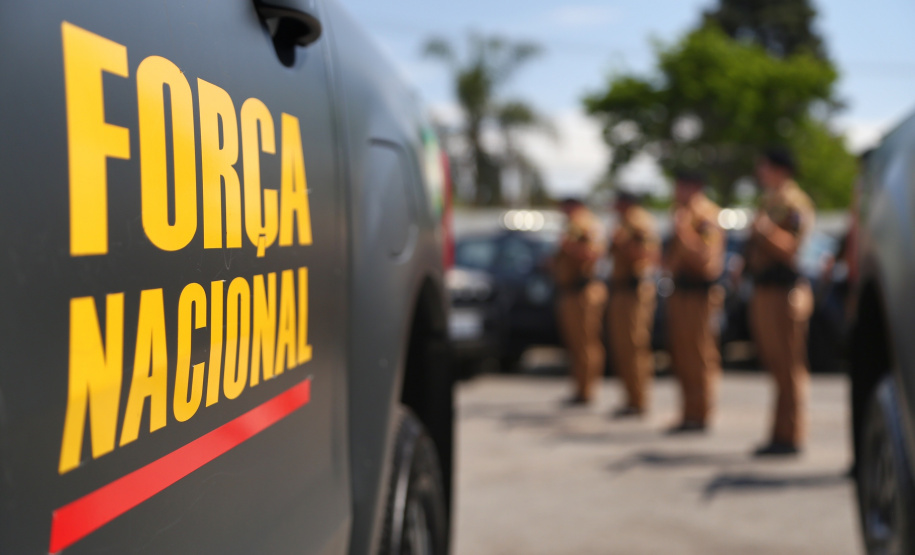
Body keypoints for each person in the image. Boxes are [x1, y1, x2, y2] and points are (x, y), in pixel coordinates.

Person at [746, 147, 816, 456]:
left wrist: (765, 231)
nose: (761, 172)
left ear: (781, 169)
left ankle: (791, 436)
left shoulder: (794, 203)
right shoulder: (770, 202)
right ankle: (779, 433)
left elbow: (793, 248)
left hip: (785, 291)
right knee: (776, 365)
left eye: (766, 167)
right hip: (766, 290)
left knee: (789, 366)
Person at [664, 170, 725, 433]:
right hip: (680, 291)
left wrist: (684, 234)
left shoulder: (706, 215)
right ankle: (688, 411)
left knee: (700, 354)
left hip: (700, 293)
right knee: (682, 354)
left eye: (682, 186)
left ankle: (701, 414)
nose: (678, 192)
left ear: (695, 187)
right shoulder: (681, 213)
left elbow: (706, 259)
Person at [607, 191, 659, 417]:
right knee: (623, 345)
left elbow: (645, 255)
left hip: (635, 289)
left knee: (634, 344)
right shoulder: (624, 223)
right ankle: (631, 398)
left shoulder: (639, 222)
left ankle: (639, 400)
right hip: (622, 289)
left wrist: (622, 243)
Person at [553, 199, 608, 405]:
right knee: (576, 343)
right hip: (571, 291)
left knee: (586, 343)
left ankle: (587, 390)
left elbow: (593, 254)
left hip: (584, 290)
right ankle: (580, 388)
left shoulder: (586, 225)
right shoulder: (573, 225)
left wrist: (569, 248)